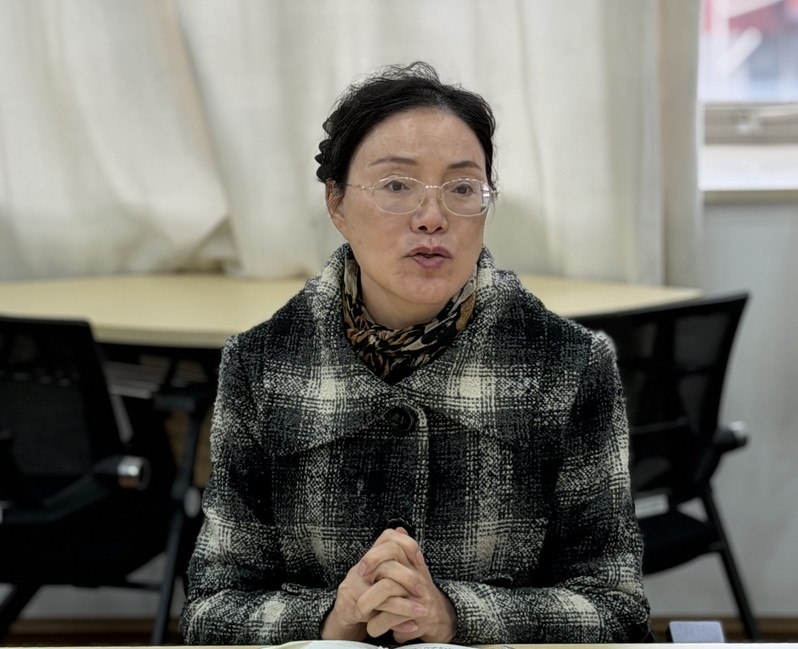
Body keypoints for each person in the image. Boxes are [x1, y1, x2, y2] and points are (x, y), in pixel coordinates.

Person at [180, 61, 650, 645]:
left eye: (461, 188)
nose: (432, 218)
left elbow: (616, 611)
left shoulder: (568, 365)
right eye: (397, 186)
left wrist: (453, 616)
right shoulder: (261, 364)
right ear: (336, 204)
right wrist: (333, 619)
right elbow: (211, 615)